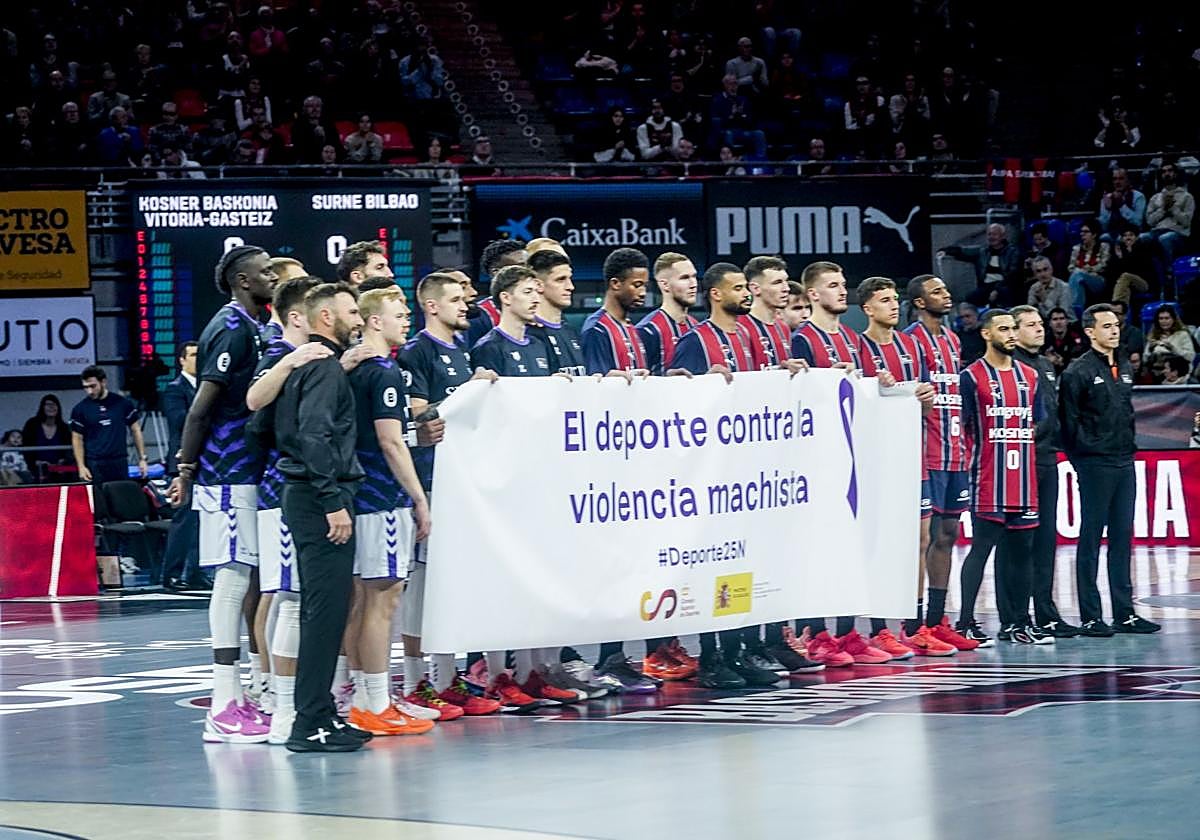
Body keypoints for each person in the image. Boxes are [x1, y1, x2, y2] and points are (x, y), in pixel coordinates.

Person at [671, 262, 811, 687]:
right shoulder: (697, 339)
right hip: (711, 475)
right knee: (712, 567)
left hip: (748, 474)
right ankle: (711, 656)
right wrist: (698, 383)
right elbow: (672, 398)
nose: (745, 295)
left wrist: (782, 377)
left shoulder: (748, 336)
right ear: (716, 294)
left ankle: (740, 650)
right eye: (737, 289)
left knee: (744, 564)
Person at [167, 245, 277, 744]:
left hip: (248, 469)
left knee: (248, 578)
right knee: (231, 581)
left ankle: (247, 691)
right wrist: (186, 469)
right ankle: (222, 703)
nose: (272, 275)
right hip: (225, 471)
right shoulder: (230, 328)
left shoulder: (255, 324)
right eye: (264, 271)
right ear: (241, 279)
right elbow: (201, 408)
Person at [469, 265, 583, 708]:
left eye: (539, 291)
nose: (536, 298)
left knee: (544, 573)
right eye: (527, 291)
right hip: (507, 478)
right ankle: (499, 675)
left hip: (542, 474)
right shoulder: (488, 347)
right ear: (504, 298)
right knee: (507, 576)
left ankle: (537, 671)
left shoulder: (540, 344)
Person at [397, 273, 504, 714]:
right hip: (428, 479)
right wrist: (468, 392)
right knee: (422, 585)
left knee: (452, 582)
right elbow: (418, 415)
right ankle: (415, 682)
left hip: (461, 482)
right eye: (456, 299)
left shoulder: (462, 349)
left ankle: (446, 678)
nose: (466, 305)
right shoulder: (416, 351)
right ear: (432, 306)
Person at [274, 282, 374, 752]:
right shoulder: (324, 369)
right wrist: (332, 500)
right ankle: (309, 722)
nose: (360, 319)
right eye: (352, 312)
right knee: (324, 613)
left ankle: (321, 714)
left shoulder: (307, 366)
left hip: (307, 494)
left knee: (326, 611)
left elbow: (264, 427)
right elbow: (314, 435)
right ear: (327, 317)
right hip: (320, 500)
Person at [790, 262, 903, 664]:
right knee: (818, 548)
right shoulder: (802, 339)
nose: (842, 291)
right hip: (817, 459)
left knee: (852, 547)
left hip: (854, 456)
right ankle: (815, 633)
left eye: (843, 284)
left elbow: (867, 389)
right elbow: (796, 395)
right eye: (833, 285)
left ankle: (847, 633)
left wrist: (880, 383)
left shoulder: (855, 339)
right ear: (813, 294)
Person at [344, 288, 436, 735]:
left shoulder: (355, 369)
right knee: (383, 601)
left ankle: (366, 695)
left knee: (366, 600)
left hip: (360, 496)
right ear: (374, 321)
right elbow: (391, 441)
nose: (406, 320)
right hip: (381, 498)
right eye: (399, 315)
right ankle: (376, 703)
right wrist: (418, 497)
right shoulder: (384, 372)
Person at [244, 275, 324, 744]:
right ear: (297, 316)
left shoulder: (317, 354)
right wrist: (291, 361)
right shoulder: (278, 352)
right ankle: (280, 705)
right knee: (286, 596)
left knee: (292, 595)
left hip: (303, 489)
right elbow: (254, 400)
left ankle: (290, 697)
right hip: (280, 491)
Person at [578, 248, 663, 693]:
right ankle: (607, 658)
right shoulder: (596, 330)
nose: (642, 291)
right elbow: (595, 394)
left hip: (638, 461)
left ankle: (625, 656)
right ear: (614, 284)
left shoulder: (631, 329)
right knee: (610, 567)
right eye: (636, 284)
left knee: (634, 566)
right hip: (611, 465)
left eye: (644, 283)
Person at [857, 276, 950, 657]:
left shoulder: (912, 346)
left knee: (921, 540)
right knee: (880, 543)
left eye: (895, 299)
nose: (893, 305)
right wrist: (873, 387)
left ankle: (914, 627)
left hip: (914, 454)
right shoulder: (858, 346)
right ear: (867, 308)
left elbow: (924, 403)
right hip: (877, 458)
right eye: (884, 300)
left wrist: (926, 397)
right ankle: (878, 629)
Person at [1060, 304, 1161, 636]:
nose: (1115, 330)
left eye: (1116, 324)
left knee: (1122, 536)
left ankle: (1124, 613)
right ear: (1090, 332)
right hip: (1094, 463)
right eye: (1107, 326)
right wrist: (1084, 457)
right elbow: (1069, 422)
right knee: (1090, 538)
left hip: (1124, 460)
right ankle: (1091, 616)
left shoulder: (1125, 365)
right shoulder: (1077, 371)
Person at [954, 310, 1045, 645]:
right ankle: (965, 622)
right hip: (988, 479)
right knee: (981, 550)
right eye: (1003, 329)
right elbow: (960, 426)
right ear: (986, 334)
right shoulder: (971, 377)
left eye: (1013, 329)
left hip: (1024, 480)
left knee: (1023, 553)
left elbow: (1036, 421)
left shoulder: (1030, 376)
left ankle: (1018, 623)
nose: (1011, 334)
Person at [904, 275, 982, 649]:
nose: (946, 295)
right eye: (936, 292)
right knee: (923, 539)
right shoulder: (909, 340)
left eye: (945, 289)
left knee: (949, 534)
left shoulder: (952, 339)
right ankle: (912, 623)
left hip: (955, 453)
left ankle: (936, 621)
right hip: (926, 453)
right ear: (919, 302)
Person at [1007, 306, 1077, 637]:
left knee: (1046, 540)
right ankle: (1014, 617)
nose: (1039, 329)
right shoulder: (1010, 365)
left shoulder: (1046, 365)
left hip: (1048, 458)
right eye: (1030, 325)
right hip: (1020, 462)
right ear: (1013, 330)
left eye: (1040, 324)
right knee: (1018, 542)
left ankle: (1046, 612)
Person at [160, 343, 201, 590]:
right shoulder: (175, 389)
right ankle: (172, 574)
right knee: (183, 520)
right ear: (182, 360)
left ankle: (195, 573)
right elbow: (180, 420)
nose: (198, 359)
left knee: (200, 521)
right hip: (181, 461)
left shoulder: (205, 387)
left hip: (202, 462)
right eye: (193, 355)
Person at [70, 365, 146, 485]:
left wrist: (142, 458)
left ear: (103, 382)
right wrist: (81, 466)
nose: (89, 391)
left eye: (93, 386)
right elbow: (77, 438)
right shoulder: (80, 409)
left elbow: (136, 430)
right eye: (86, 387)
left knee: (120, 495)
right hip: (94, 463)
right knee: (98, 496)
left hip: (119, 461)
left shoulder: (122, 403)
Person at [635, 252, 699, 376]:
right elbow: (637, 380)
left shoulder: (696, 326)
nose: (694, 284)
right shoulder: (647, 331)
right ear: (665, 285)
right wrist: (668, 380)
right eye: (684, 278)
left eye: (694, 276)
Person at [527, 250, 587, 376]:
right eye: (561, 279)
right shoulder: (528, 334)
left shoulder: (570, 331)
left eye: (569, 279)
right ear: (538, 285)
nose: (570, 287)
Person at [941, 223, 1022, 308]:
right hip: (986, 287)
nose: (991, 237)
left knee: (1005, 295)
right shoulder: (983, 251)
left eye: (994, 234)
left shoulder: (1013, 252)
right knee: (969, 300)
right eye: (989, 234)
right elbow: (964, 251)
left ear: (1003, 236)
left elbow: (1013, 275)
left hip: (1005, 286)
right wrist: (946, 251)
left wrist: (997, 290)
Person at [467, 239, 527, 346]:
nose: (529, 272)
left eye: (529, 266)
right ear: (496, 272)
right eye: (520, 267)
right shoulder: (480, 318)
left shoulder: (541, 309)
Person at [737, 255, 791, 368]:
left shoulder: (783, 328)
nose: (786, 288)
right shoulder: (739, 326)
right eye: (777, 282)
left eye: (786, 281)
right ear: (755, 288)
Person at [1141, 161, 1194, 267]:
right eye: (1164, 171)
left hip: (1177, 233)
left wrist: (1173, 208)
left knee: (1165, 238)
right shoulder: (1155, 197)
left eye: (1170, 171)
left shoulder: (1187, 196)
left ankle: (1170, 270)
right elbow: (1150, 221)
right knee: (1142, 237)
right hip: (1157, 231)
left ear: (1176, 174)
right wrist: (1163, 209)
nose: (1167, 173)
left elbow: (1186, 222)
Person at [21, 394, 71, 480]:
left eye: (54, 405)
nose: (51, 407)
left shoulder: (64, 427)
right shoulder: (32, 425)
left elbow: (68, 450)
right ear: (42, 408)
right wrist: (35, 462)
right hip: (36, 469)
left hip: (59, 469)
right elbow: (26, 447)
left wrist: (63, 460)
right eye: (48, 404)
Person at [1066, 220, 1110, 314]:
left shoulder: (1104, 247)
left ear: (1094, 234)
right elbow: (1070, 267)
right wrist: (1083, 271)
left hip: (1097, 280)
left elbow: (1104, 265)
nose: (1082, 234)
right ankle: (1078, 311)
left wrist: (1088, 270)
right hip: (1080, 279)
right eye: (1081, 232)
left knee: (1077, 274)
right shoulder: (1076, 249)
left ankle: (1073, 313)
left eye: (1086, 232)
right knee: (1077, 277)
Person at [1098, 168, 1146, 238]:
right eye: (1115, 179)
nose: (1117, 182)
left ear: (1128, 181)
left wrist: (1122, 206)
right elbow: (1103, 227)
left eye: (1121, 179)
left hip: (1133, 234)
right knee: (1104, 237)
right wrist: (1108, 210)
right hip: (1113, 233)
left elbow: (1138, 223)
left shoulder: (1138, 196)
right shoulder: (1107, 198)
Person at [1043, 307, 1087, 376]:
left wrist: (1062, 363)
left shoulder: (1077, 338)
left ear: (1067, 321)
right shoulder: (1044, 340)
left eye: (1062, 318)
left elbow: (1080, 361)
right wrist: (1047, 361)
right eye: (1055, 319)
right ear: (1050, 323)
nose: (1059, 322)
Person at [1027, 256, 1073, 320]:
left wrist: (1045, 299)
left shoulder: (1064, 287)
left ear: (1051, 269)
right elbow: (1031, 312)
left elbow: (1061, 316)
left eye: (1045, 269)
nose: (1043, 274)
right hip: (1045, 323)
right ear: (1035, 274)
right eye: (1038, 271)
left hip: (1066, 323)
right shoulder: (1034, 288)